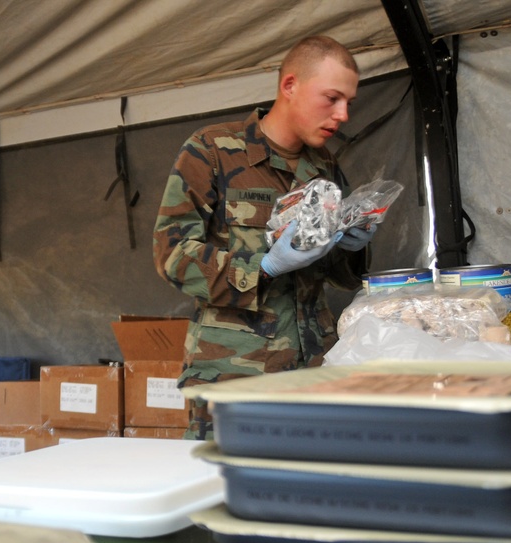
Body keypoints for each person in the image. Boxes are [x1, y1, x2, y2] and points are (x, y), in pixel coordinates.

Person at [152, 35, 373, 440]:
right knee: (224, 493)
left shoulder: (323, 165)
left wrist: (349, 247)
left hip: (314, 373)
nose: (342, 114)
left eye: (349, 103)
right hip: (237, 376)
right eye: (331, 98)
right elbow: (172, 255)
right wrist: (263, 267)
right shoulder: (213, 151)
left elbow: (333, 274)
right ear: (290, 86)